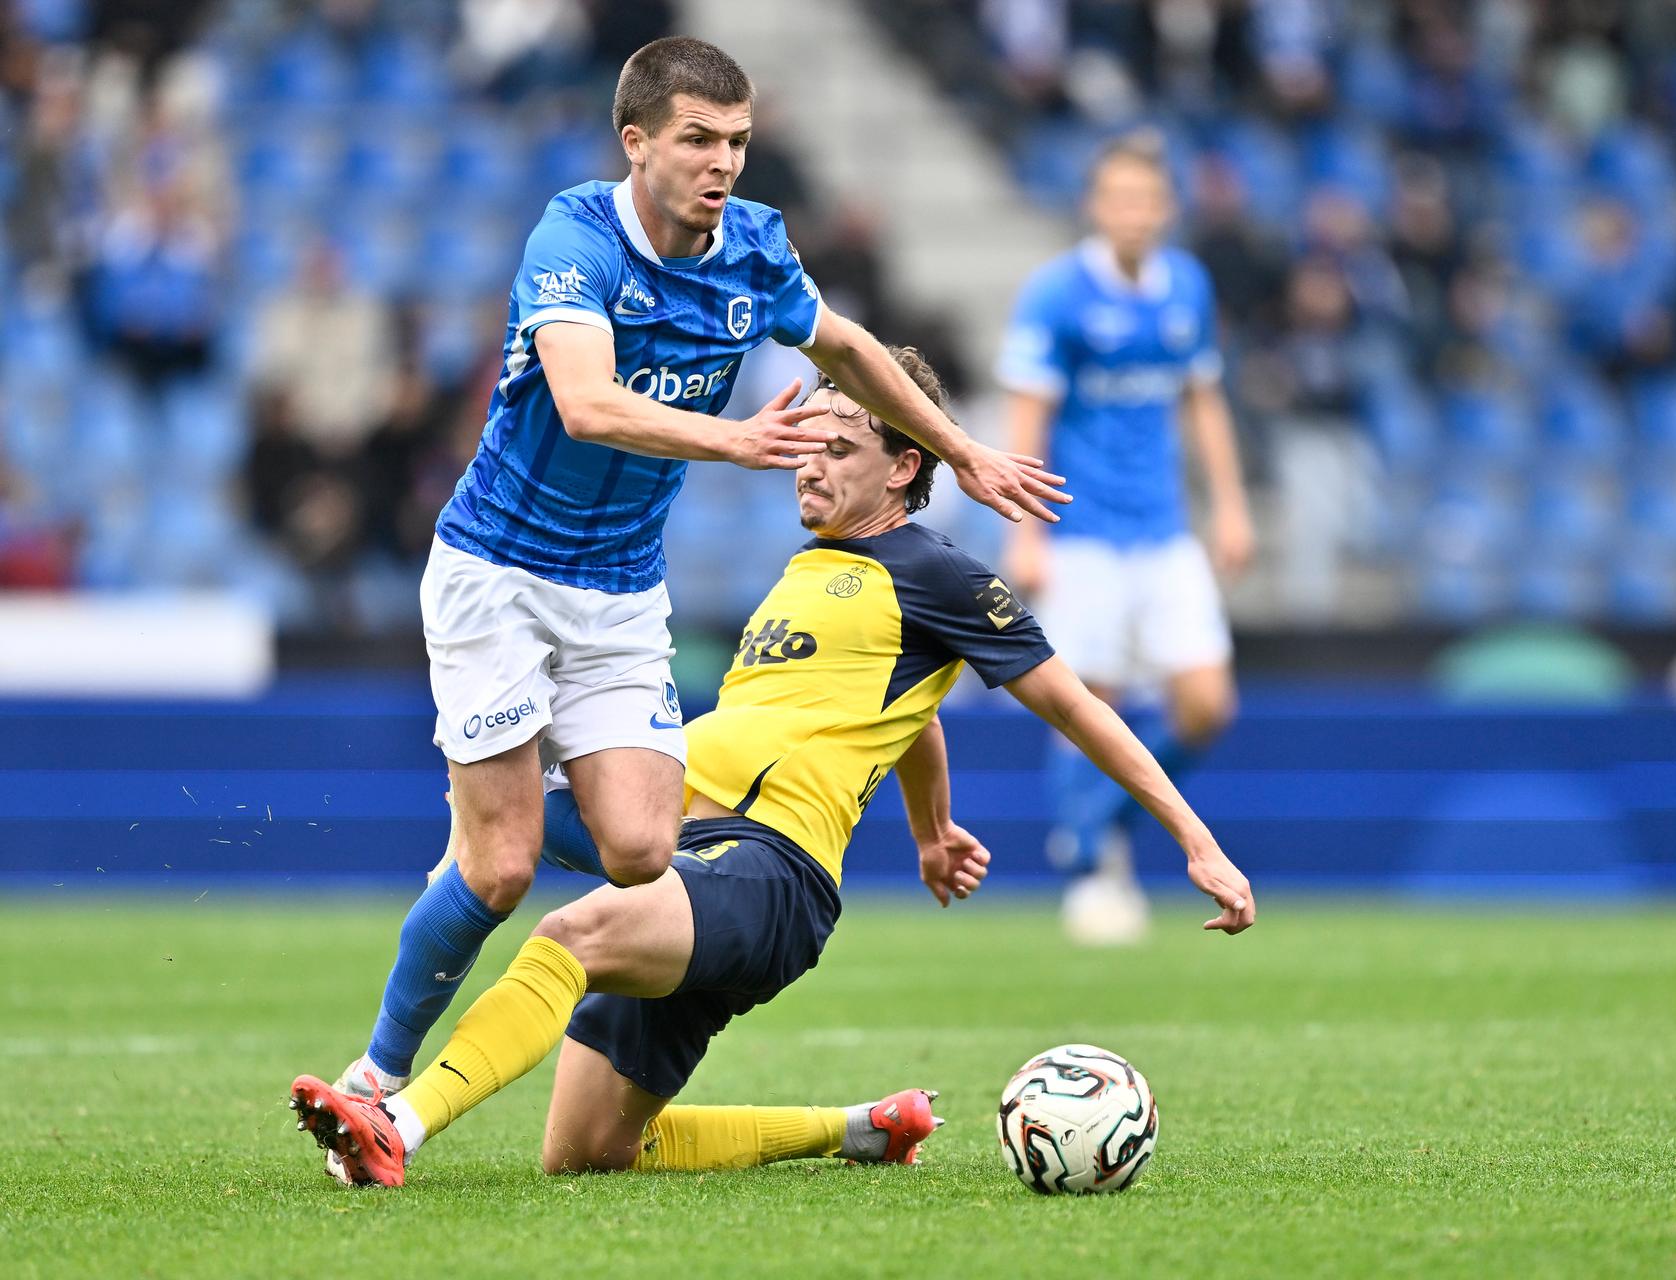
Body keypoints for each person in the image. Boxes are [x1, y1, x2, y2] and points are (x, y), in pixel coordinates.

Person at [288, 348, 1254, 1187]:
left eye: (840, 447)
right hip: (690, 853)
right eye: (807, 442)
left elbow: (1077, 706)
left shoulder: (940, 572)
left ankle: (395, 1119)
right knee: (583, 1154)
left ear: (903, 465)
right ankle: (861, 1131)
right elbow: (910, 712)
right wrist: (930, 829)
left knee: (570, 930)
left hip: (767, 872)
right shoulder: (815, 568)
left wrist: (1196, 843)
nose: (808, 462)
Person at [330, 36, 1068, 1105]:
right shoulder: (574, 235)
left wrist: (962, 449)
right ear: (637, 144)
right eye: (697, 139)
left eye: (738, 141)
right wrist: (734, 441)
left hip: (622, 584)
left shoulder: (757, 249)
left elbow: (851, 349)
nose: (722, 162)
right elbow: (585, 402)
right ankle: (378, 1069)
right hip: (501, 565)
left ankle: (513, 792)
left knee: (639, 846)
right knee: (498, 869)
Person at [996, 133, 1254, 945]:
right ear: (1096, 207)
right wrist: (1027, 530)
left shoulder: (1188, 288)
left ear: (1166, 208)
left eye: (1147, 200)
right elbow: (1029, 414)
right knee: (1089, 706)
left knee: (1207, 703)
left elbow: (1202, 400)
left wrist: (1232, 506)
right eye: (1119, 200)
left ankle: (1089, 827)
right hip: (1083, 534)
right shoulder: (1056, 295)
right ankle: (1094, 873)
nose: (1134, 214)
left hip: (1165, 527)